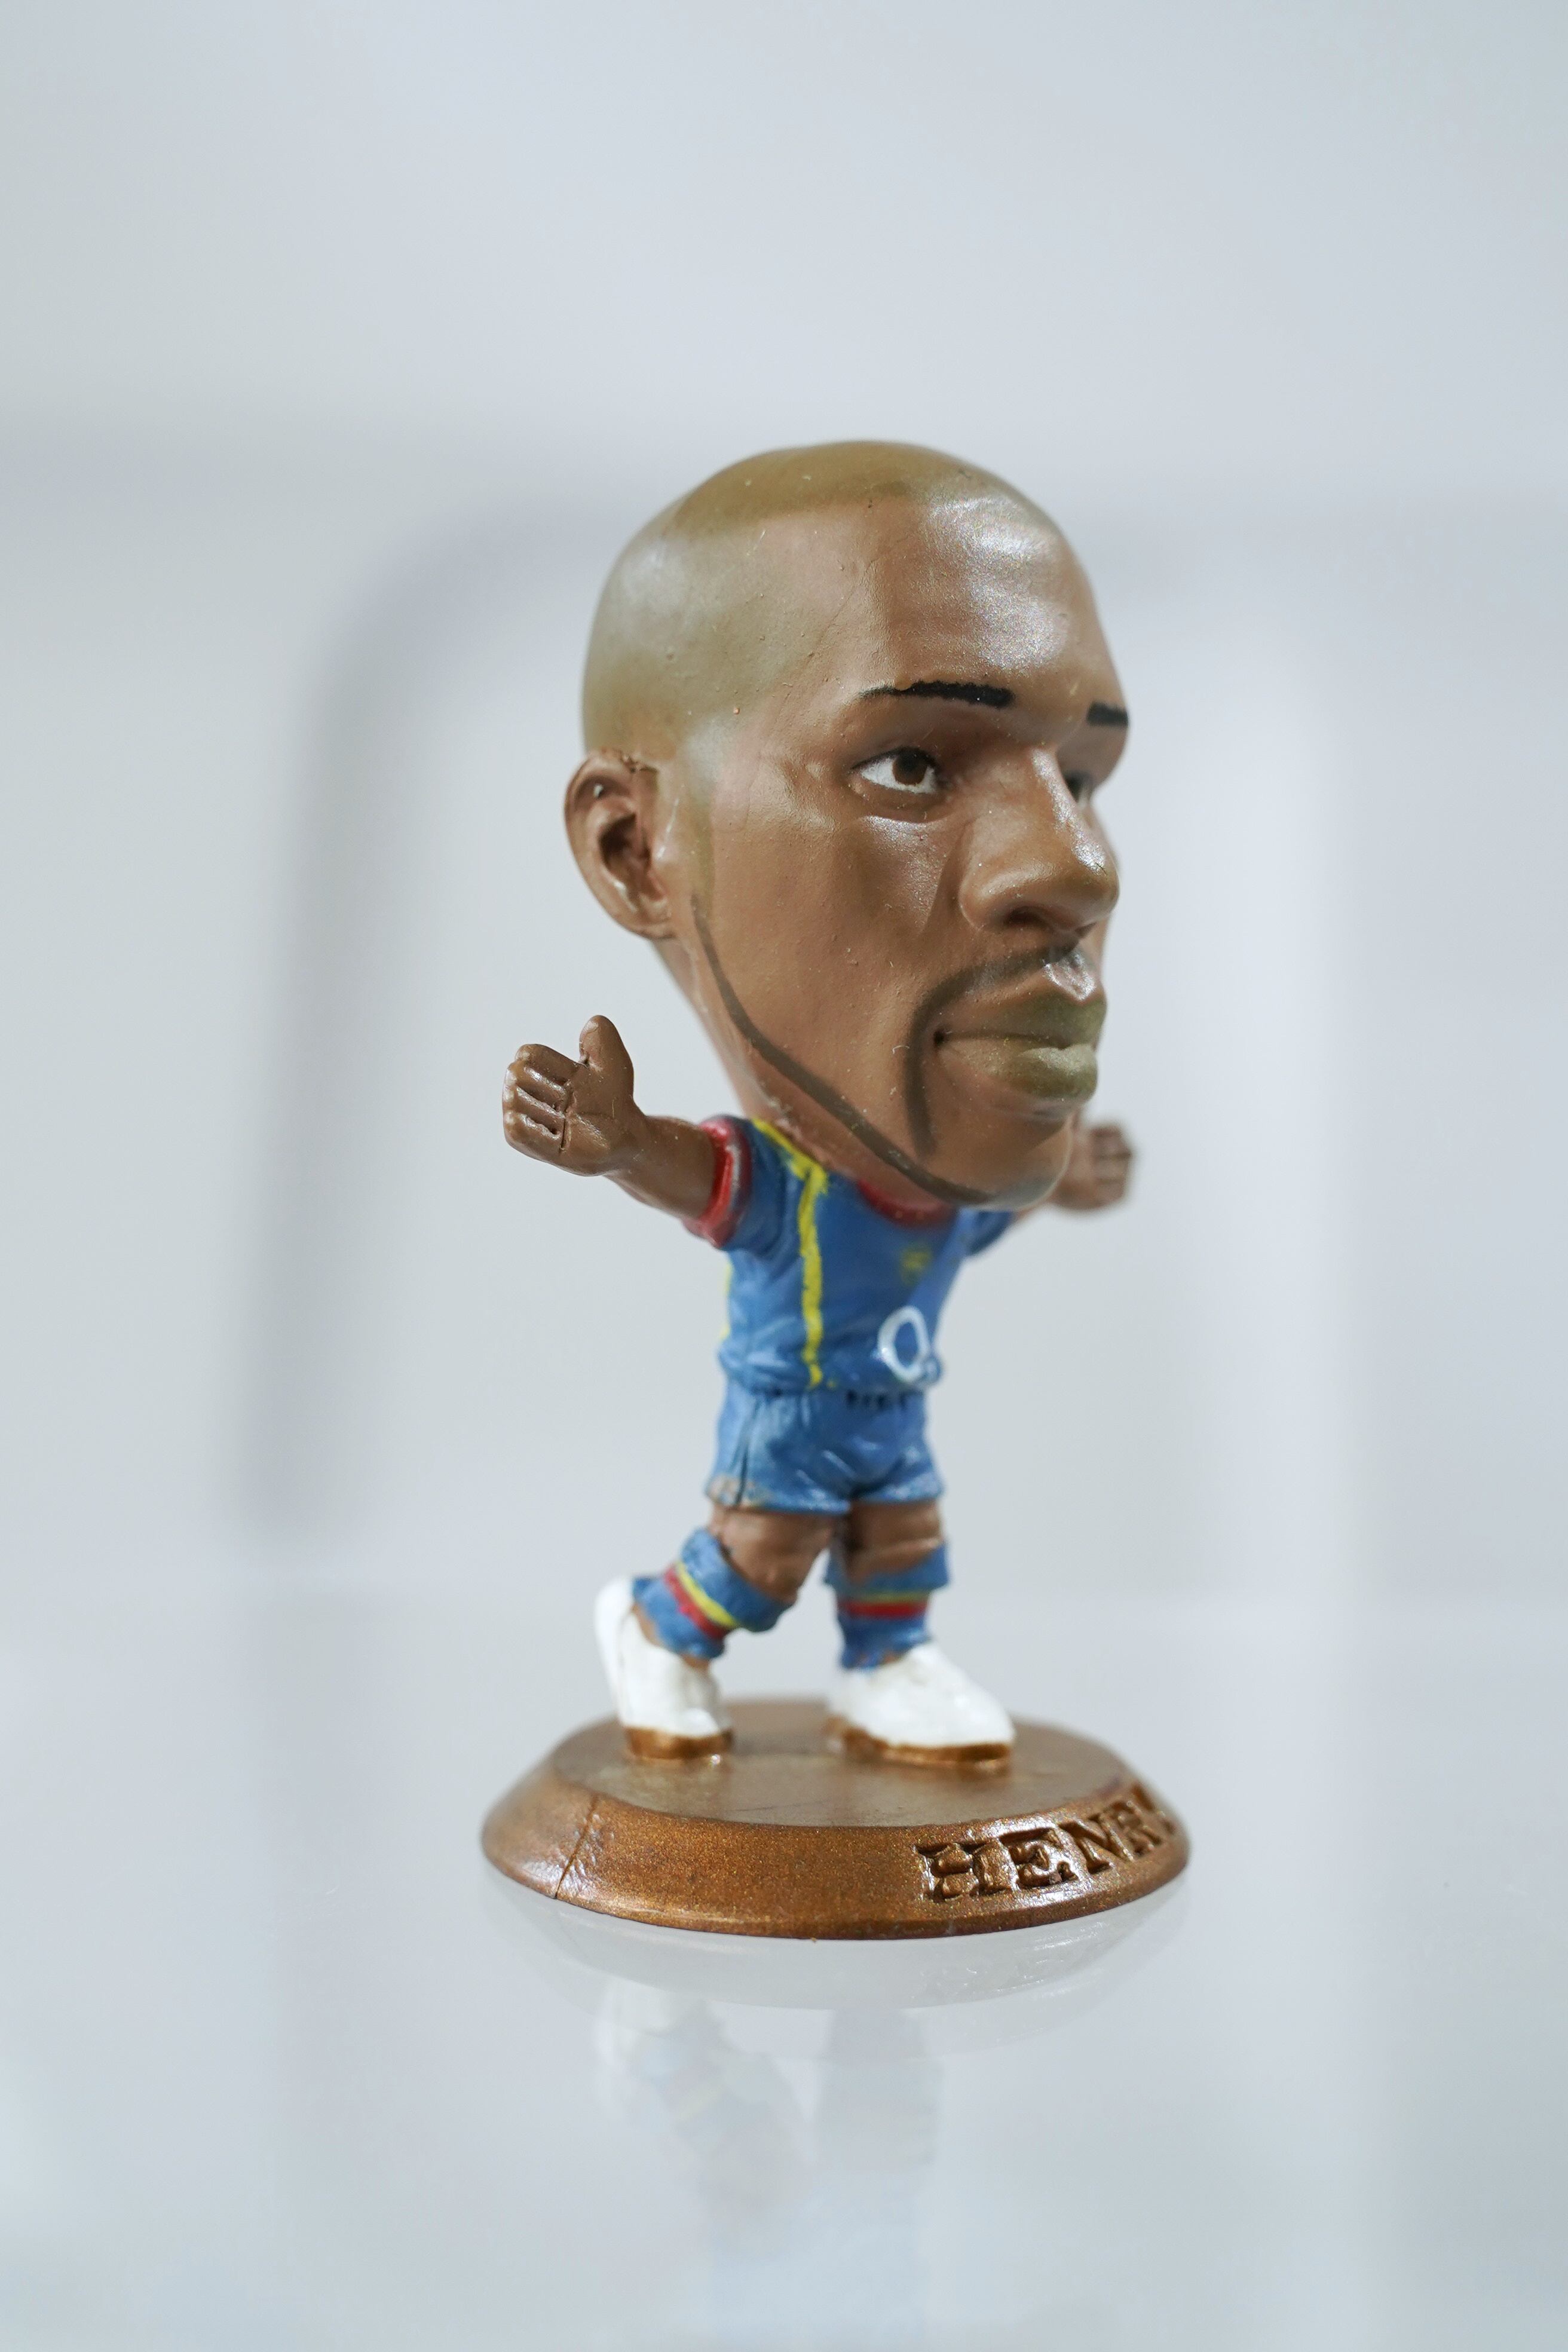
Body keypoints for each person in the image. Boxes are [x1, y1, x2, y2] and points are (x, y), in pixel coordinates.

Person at [503, 442, 1132, 1763]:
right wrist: (623, 1145)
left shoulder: (932, 1202)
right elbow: (709, 1183)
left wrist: (1066, 1181)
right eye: (910, 765)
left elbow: (984, 1223)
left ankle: (885, 1664)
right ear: (637, 850)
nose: (1080, 869)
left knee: (903, 1542)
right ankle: (658, 1628)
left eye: (1080, 780)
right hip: (791, 1422)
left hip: (889, 1420)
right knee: (762, 1555)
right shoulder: (790, 1193)